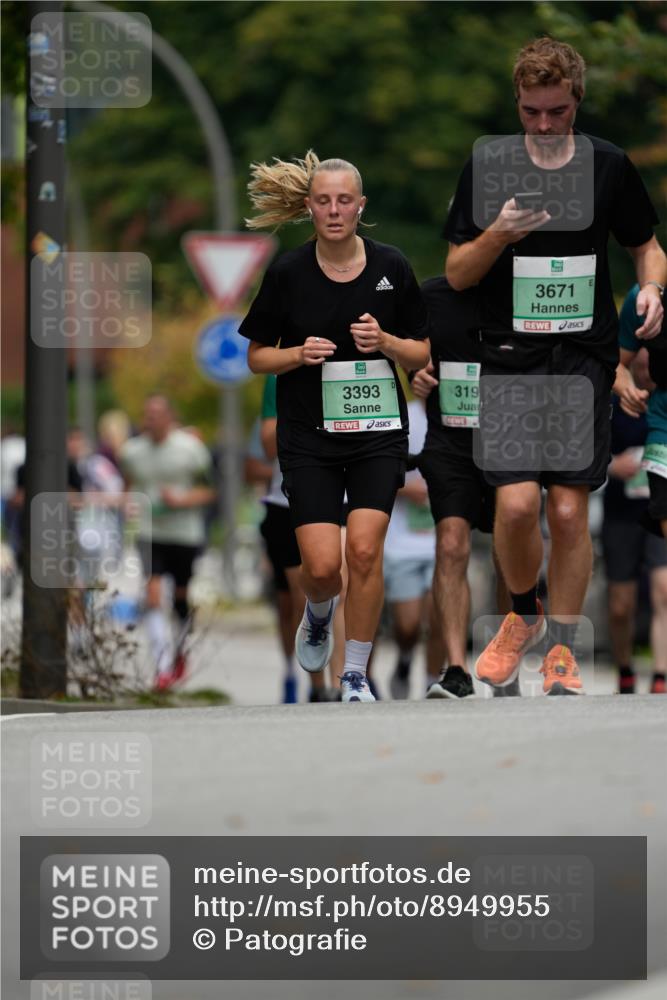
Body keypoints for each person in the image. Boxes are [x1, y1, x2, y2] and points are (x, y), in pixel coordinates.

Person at [444, 37, 666, 696]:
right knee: (514, 508)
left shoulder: (606, 166)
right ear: (516, 103)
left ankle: (562, 651)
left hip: (580, 359)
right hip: (509, 357)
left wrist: (650, 288)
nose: (542, 126)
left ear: (576, 103)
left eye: (556, 112)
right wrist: (496, 236)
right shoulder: (489, 166)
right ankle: (521, 613)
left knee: (568, 515)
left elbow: (646, 248)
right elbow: (457, 273)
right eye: (531, 112)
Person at [240, 151, 430, 703]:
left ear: (360, 206)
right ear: (309, 207)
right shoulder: (288, 274)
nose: (334, 210)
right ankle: (319, 612)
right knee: (322, 568)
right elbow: (255, 358)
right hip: (310, 438)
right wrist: (297, 353)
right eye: (323, 201)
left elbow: (421, 354)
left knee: (365, 553)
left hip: (376, 431)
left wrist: (387, 344)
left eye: (344, 200)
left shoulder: (392, 267)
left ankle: (354, 674)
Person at [412, 277, 510, 699]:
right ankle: (455, 667)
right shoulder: (429, 296)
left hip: (512, 438)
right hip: (450, 441)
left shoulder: (515, 284)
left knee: (511, 554)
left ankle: (506, 661)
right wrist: (415, 375)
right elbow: (411, 352)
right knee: (451, 544)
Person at [119, 395, 215, 690]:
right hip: (151, 532)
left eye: (158, 414)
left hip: (185, 533)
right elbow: (128, 486)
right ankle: (162, 667)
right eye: (148, 415)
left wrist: (184, 499)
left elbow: (210, 490)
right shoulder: (132, 452)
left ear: (170, 417)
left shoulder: (190, 449)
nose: (152, 420)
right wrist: (128, 504)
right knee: (152, 592)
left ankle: (180, 651)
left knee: (181, 600)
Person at [259, 375, 335, 703]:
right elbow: (265, 447)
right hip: (286, 499)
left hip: (341, 494)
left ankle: (349, 678)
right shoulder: (280, 373)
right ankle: (312, 682)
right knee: (300, 595)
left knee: (340, 587)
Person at [613, 285, 667, 694]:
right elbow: (614, 361)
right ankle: (629, 670)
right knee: (626, 602)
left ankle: (661, 675)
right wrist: (624, 385)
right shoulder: (644, 299)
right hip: (660, 445)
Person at [383, 397, 446, 699]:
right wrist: (409, 489)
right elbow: (377, 472)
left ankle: (432, 681)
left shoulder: (454, 412)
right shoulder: (401, 413)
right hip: (402, 544)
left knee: (440, 616)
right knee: (407, 626)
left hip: (443, 540)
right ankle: (405, 661)